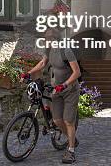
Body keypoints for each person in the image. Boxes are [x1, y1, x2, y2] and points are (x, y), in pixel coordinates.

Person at [23, 28, 81, 164]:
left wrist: (65, 84)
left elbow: (77, 72)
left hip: (70, 89)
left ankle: (71, 151)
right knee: (56, 120)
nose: (46, 41)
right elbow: (43, 63)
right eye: (45, 38)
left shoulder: (66, 51)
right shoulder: (49, 50)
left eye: (48, 38)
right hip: (57, 89)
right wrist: (28, 73)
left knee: (68, 121)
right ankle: (72, 138)